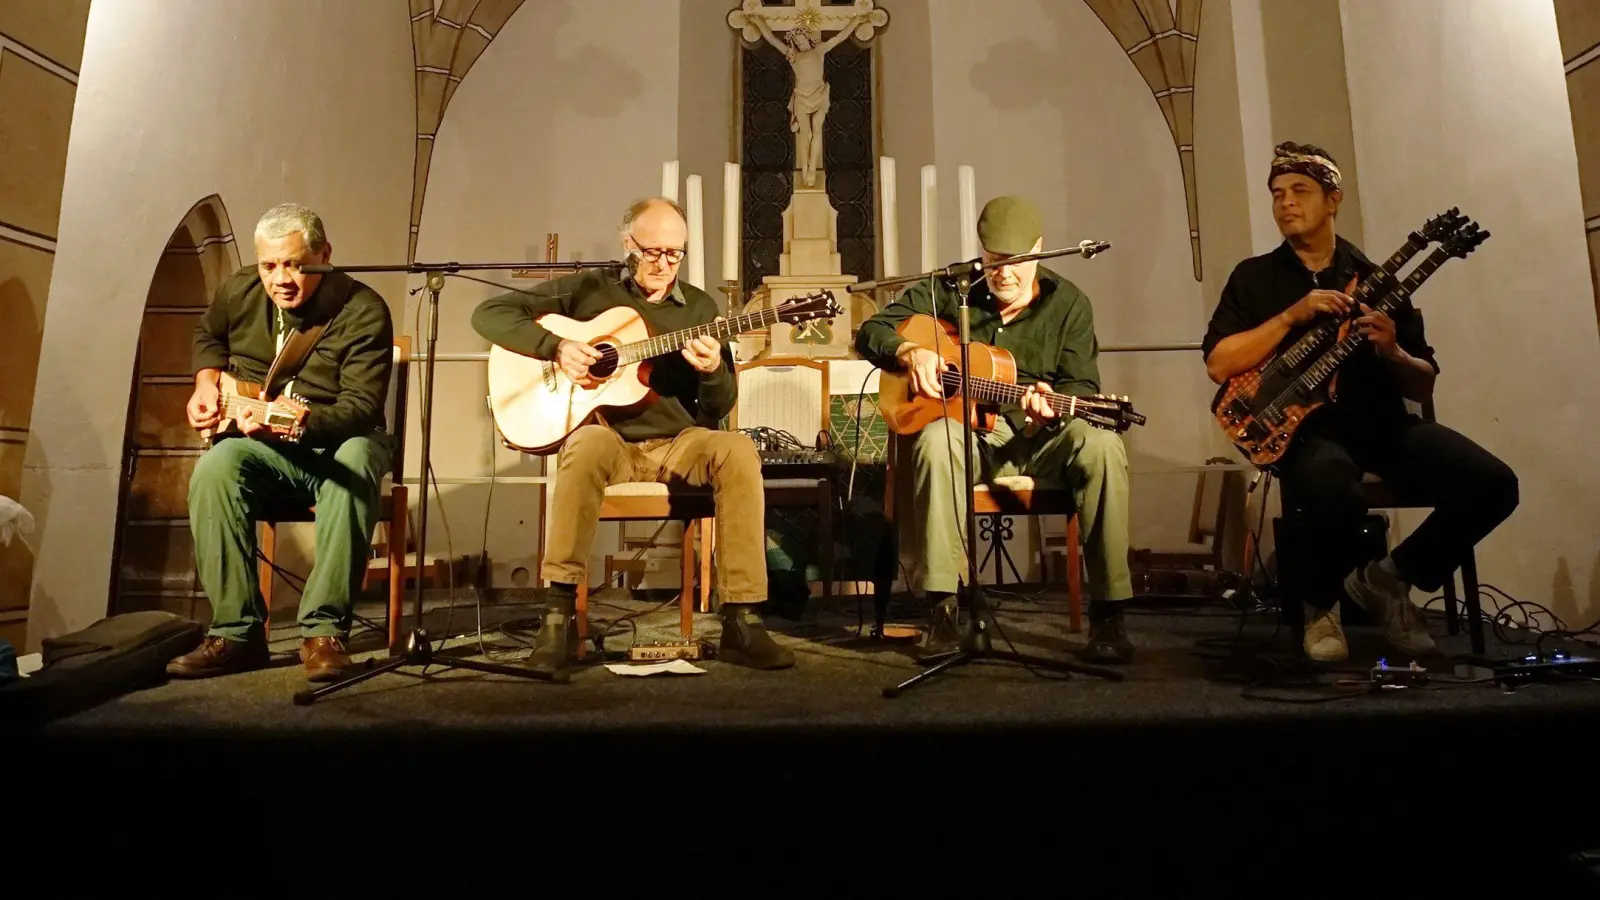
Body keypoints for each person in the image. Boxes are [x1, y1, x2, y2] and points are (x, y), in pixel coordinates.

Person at [1202, 142, 1519, 662]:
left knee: (1494, 483)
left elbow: (1423, 384)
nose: (1285, 203)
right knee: (1335, 488)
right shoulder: (1254, 278)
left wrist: (1393, 350)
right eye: (1277, 194)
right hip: (1308, 433)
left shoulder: (1379, 278)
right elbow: (1219, 364)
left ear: (1333, 200)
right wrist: (1289, 318)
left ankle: (1388, 578)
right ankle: (1321, 606)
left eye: (1300, 191)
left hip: (1383, 426)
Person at [471, 197, 793, 676]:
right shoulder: (589, 291)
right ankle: (558, 619)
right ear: (628, 244)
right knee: (580, 449)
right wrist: (557, 347)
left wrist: (710, 371)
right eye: (653, 251)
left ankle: (743, 619)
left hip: (681, 443)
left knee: (738, 448)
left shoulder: (701, 308)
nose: (665, 264)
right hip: (611, 440)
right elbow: (490, 314)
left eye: (675, 254)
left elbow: (718, 407)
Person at [855, 195, 1136, 665]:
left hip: (1043, 438)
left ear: (1040, 250)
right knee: (935, 440)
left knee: (1102, 445)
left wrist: (1050, 406)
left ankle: (1109, 613)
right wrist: (911, 353)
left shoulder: (1069, 305)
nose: (1003, 273)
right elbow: (870, 331)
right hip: (973, 441)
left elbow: (1082, 387)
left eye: (1016, 262)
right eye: (993, 261)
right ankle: (943, 609)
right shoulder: (953, 290)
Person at [167, 202, 395, 682]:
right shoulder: (239, 290)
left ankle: (323, 632)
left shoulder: (363, 309)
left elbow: (360, 409)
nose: (280, 278)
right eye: (270, 265)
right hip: (272, 451)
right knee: (217, 467)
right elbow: (208, 334)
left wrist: (297, 423)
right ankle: (236, 633)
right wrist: (206, 384)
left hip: (339, 441)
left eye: (294, 264)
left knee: (354, 460)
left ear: (324, 255)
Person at [752, 13, 867, 188]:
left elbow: (839, 38)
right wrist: (760, 23)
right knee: (804, 134)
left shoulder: (819, 50)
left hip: (819, 94)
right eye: (797, 42)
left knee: (817, 130)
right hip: (802, 97)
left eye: (802, 39)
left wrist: (854, 22)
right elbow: (772, 40)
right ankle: (805, 168)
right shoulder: (793, 56)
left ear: (808, 37)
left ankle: (812, 167)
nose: (801, 43)